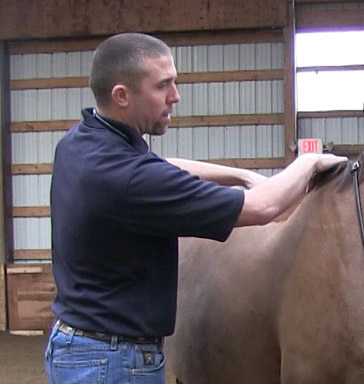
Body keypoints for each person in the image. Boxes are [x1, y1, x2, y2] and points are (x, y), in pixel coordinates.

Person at [44, 32, 347, 384]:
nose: (176, 97)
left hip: (79, 346)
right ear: (122, 95)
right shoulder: (129, 180)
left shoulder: (80, 141)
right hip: (114, 362)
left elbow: (161, 165)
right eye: (163, 86)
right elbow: (263, 208)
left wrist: (240, 174)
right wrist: (308, 162)